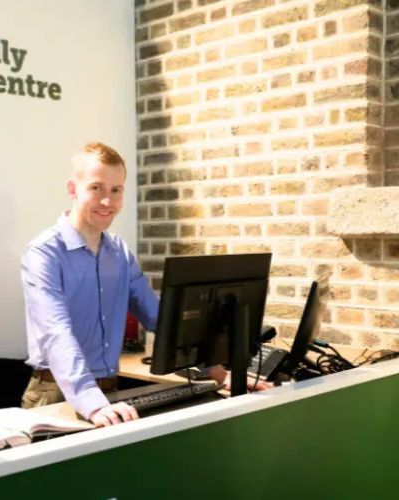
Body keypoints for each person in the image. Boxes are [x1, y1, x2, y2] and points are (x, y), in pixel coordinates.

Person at [20, 142, 265, 428]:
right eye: (96, 188)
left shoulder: (119, 253)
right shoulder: (44, 253)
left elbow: (160, 320)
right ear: (73, 189)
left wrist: (218, 371)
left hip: (108, 393)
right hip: (56, 394)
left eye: (116, 190)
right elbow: (55, 332)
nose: (107, 201)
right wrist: (90, 398)